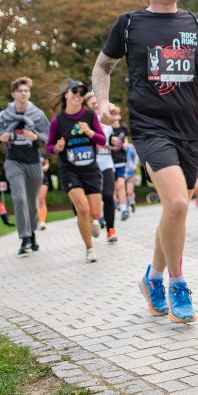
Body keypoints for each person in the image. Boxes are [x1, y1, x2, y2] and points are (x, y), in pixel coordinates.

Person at [92, 0, 198, 324]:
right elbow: (102, 66)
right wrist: (103, 103)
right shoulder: (129, 24)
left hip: (189, 130)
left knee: (173, 208)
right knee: (179, 205)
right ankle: (177, 283)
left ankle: (151, 278)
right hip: (150, 127)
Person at [46, 79, 106, 262]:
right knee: (82, 208)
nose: (78, 95)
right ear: (66, 94)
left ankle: (94, 220)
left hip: (90, 169)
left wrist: (89, 133)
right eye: (74, 91)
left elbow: (102, 140)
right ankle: (89, 249)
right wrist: (57, 147)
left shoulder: (89, 116)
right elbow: (49, 147)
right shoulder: (58, 121)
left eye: (81, 92)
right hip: (69, 170)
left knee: (95, 212)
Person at [0, 77, 50, 255]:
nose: (24, 94)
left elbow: (48, 137)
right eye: (20, 91)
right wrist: (1, 137)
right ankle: (24, 238)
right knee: (19, 199)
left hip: (33, 161)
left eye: (26, 91)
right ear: (13, 94)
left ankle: (32, 234)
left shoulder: (37, 114)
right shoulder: (4, 116)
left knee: (32, 201)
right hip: (13, 161)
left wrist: (35, 137)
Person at [85, 92, 118, 243]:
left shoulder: (107, 120)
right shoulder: (85, 122)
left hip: (107, 163)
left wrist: (114, 142)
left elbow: (113, 141)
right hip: (91, 165)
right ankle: (94, 220)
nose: (96, 106)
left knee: (108, 196)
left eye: (97, 103)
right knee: (93, 198)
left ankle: (110, 230)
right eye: (92, 104)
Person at [108, 106, 130, 221]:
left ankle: (123, 208)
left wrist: (125, 143)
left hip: (121, 159)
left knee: (121, 184)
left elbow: (125, 138)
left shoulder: (123, 127)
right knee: (114, 187)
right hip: (111, 160)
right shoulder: (108, 129)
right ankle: (114, 205)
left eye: (116, 113)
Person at [37, 157, 50, 231]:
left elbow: (46, 163)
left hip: (42, 179)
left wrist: (45, 167)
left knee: (41, 199)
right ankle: (34, 221)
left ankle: (42, 221)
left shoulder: (41, 154)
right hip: (30, 179)